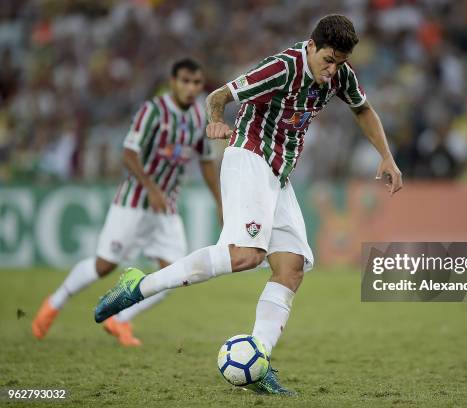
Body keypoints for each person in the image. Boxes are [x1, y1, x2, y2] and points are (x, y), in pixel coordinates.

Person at [94, 15, 402, 393]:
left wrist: (386, 156)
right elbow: (217, 96)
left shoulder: (341, 75)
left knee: (290, 269)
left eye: (339, 62)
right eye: (328, 60)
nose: (332, 69)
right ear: (312, 45)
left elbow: (362, 109)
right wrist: (215, 121)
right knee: (245, 255)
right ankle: (139, 286)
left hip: (278, 173)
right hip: (249, 157)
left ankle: (258, 363)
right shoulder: (281, 68)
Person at [32, 58, 222, 346]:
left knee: (176, 274)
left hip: (166, 208)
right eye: (185, 81)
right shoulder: (153, 111)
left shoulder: (199, 117)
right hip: (133, 202)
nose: (191, 87)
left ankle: (119, 319)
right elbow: (128, 154)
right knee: (104, 266)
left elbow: (207, 162)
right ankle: (54, 303)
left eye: (196, 83)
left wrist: (220, 202)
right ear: (173, 82)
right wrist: (151, 188)